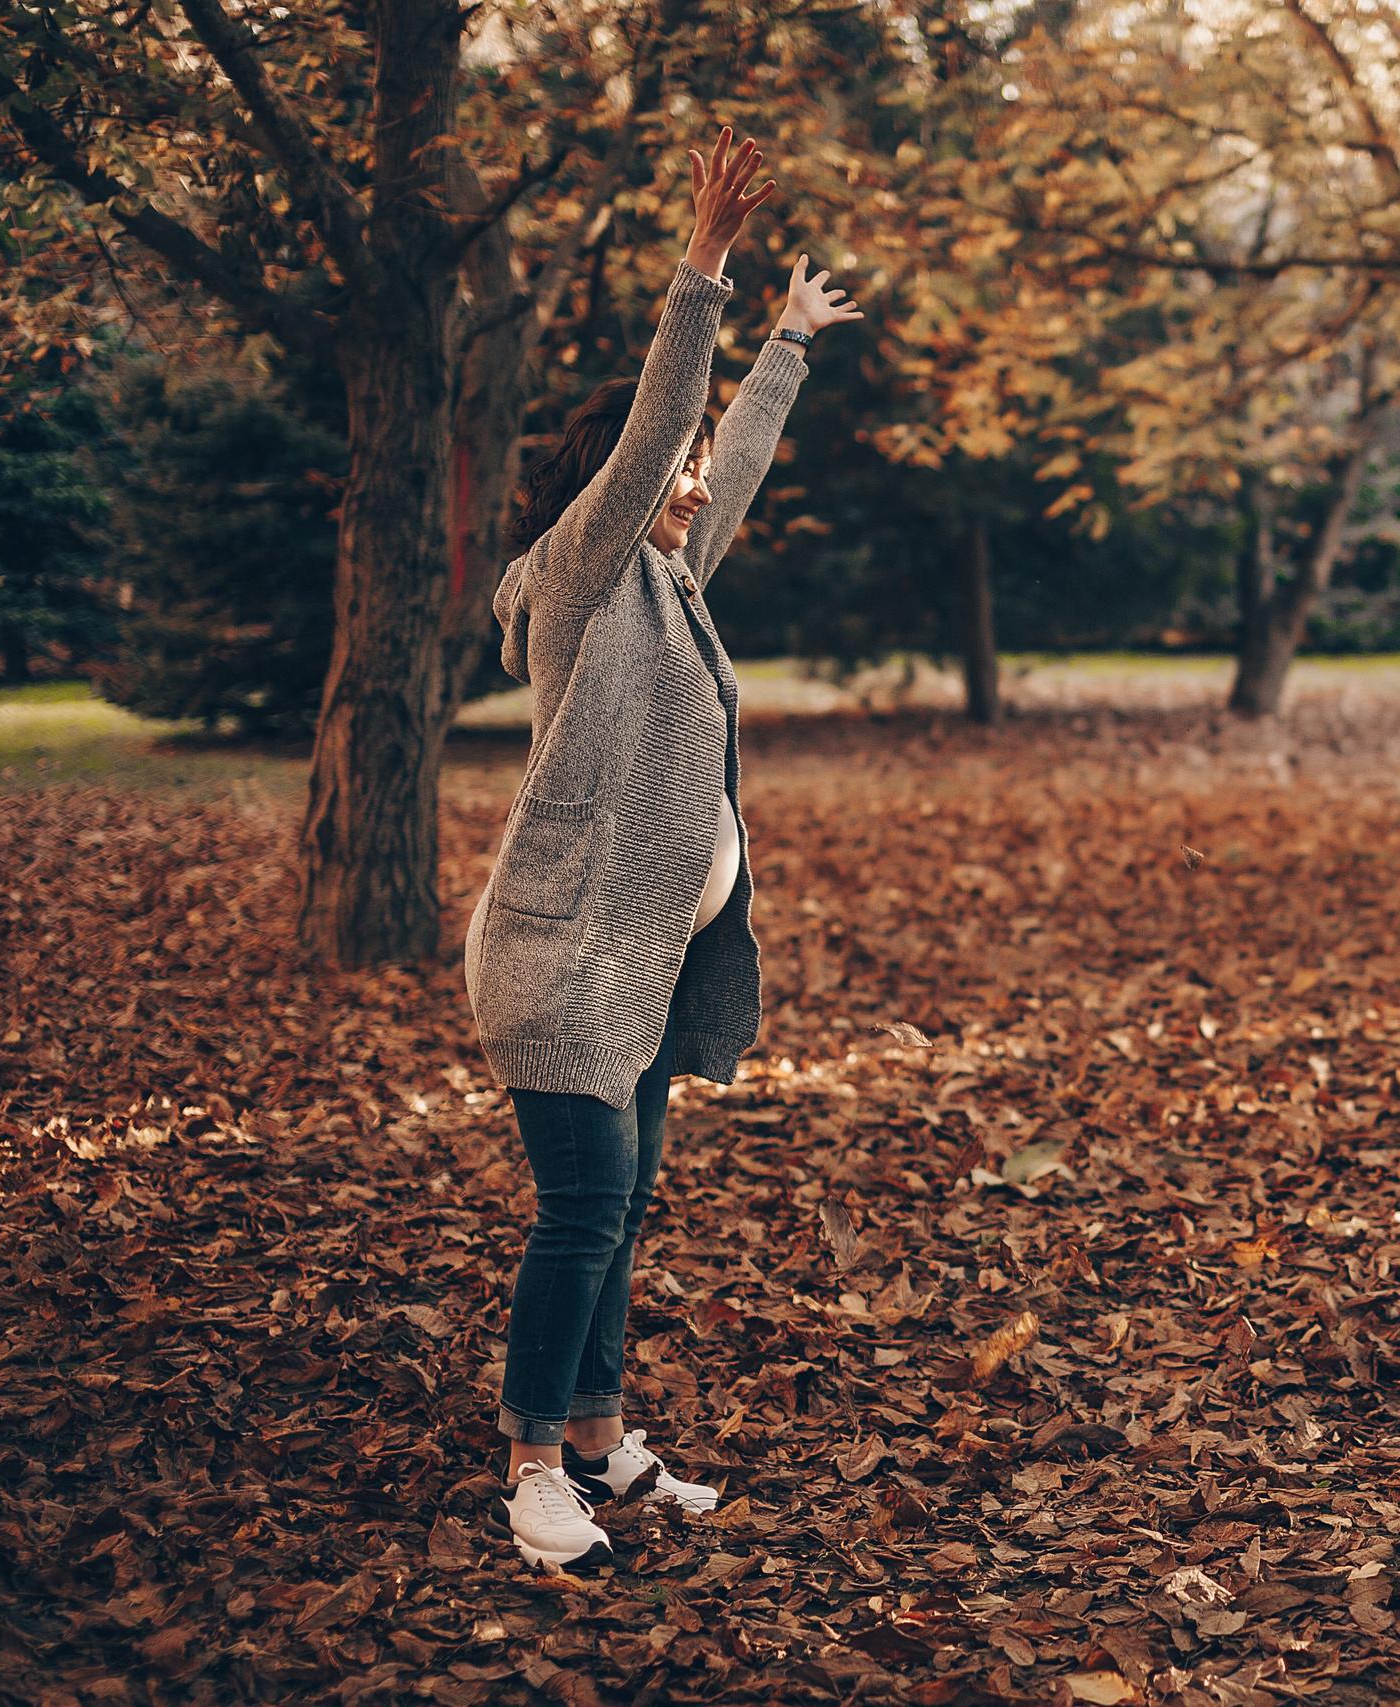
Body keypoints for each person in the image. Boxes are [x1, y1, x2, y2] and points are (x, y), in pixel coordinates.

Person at [462, 128, 862, 1570]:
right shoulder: (584, 575)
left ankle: (595, 1439)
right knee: (581, 1210)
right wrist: (703, 267)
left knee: (622, 1206)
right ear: (621, 486)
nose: (692, 484)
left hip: (638, 962)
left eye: (691, 473)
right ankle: (531, 1470)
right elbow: (657, 437)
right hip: (563, 960)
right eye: (672, 473)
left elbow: (724, 460)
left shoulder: (674, 587)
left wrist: (786, 346)